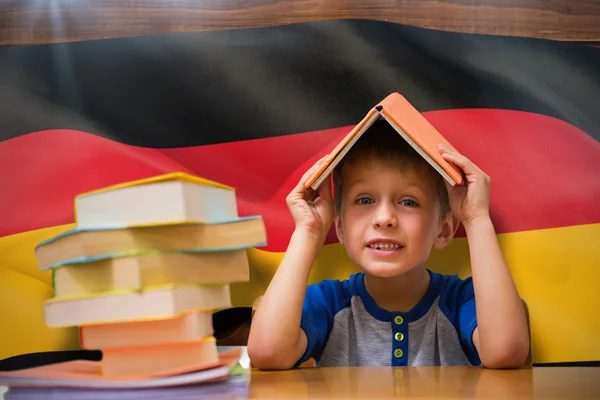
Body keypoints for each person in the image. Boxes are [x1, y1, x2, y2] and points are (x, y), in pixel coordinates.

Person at [248, 120, 530, 369]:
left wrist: (477, 219)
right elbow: (268, 354)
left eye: (408, 202)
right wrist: (308, 232)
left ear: (443, 230)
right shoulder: (329, 302)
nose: (384, 219)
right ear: (341, 227)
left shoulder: (463, 300)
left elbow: (505, 352)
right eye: (365, 200)